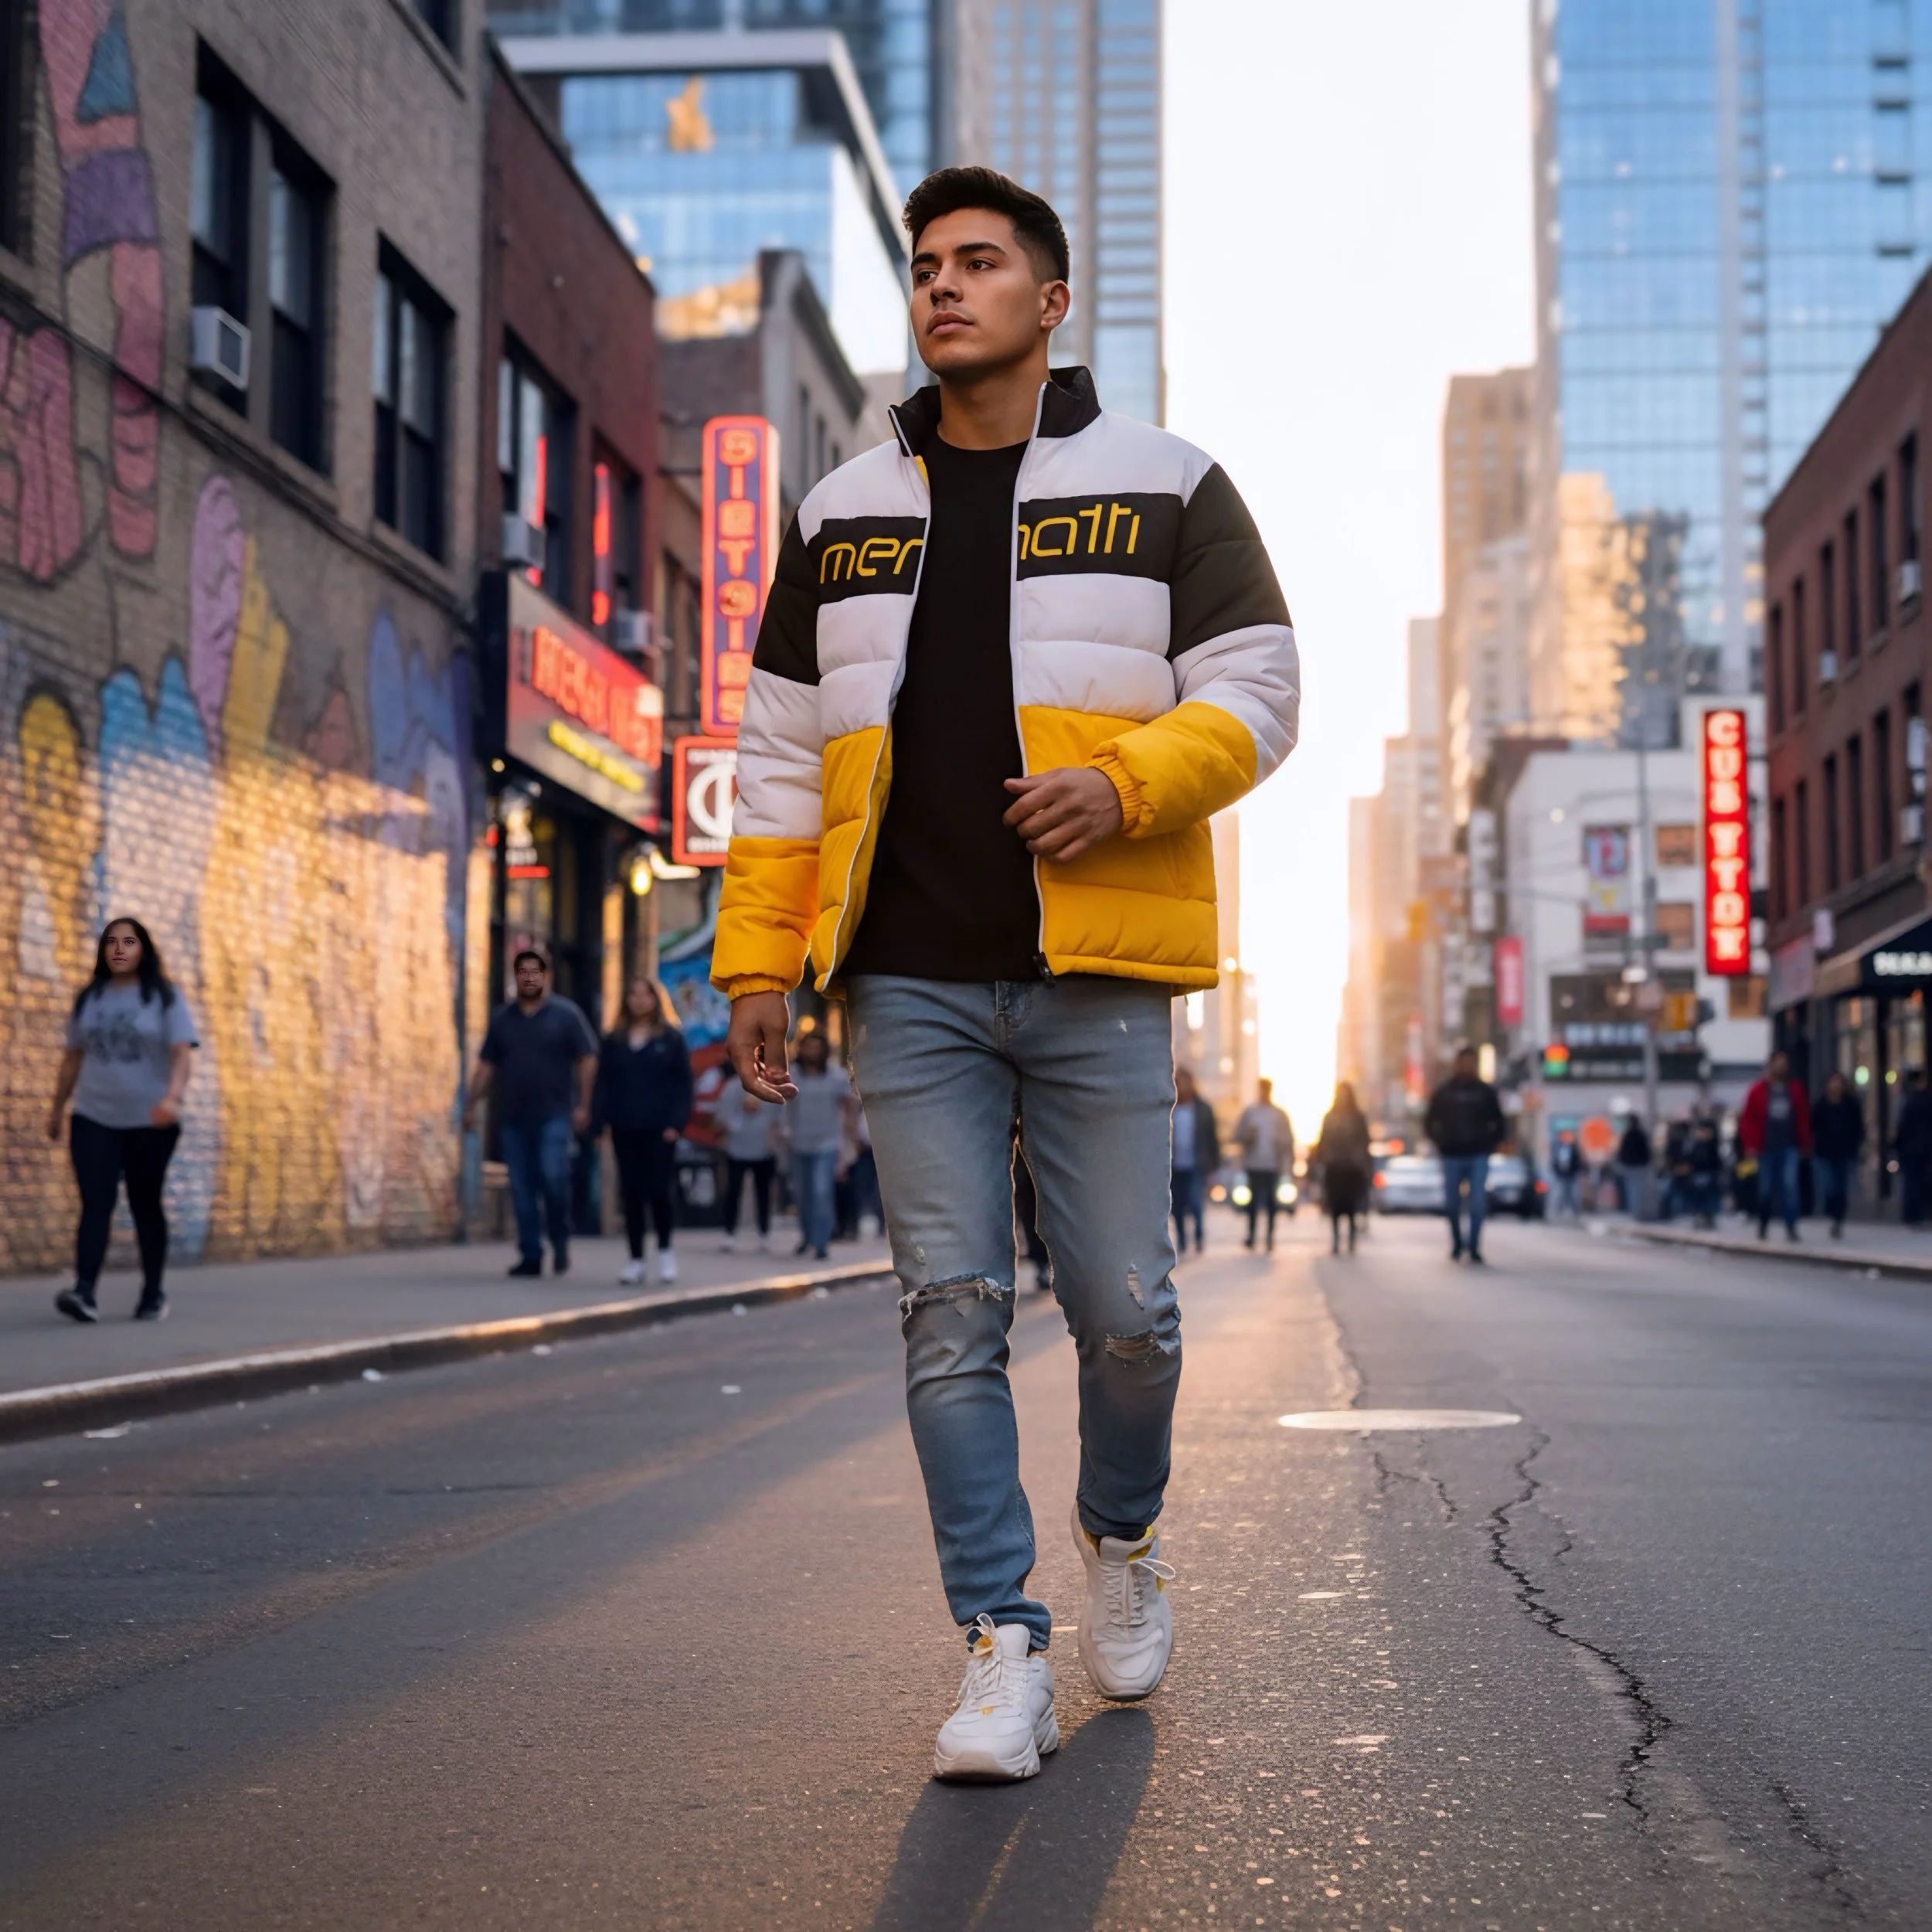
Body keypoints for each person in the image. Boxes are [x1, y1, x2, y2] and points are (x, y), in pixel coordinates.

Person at [714, 164, 1298, 1782]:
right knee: (948, 1313)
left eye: (978, 263)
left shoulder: (1166, 483)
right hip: (901, 977)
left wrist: (1124, 781)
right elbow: (776, 761)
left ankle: (1118, 1527)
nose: (941, 287)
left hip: (1097, 968)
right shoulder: (836, 513)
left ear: (1050, 301)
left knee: (1126, 1311)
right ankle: (1000, 1642)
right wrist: (756, 961)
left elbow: (1257, 684)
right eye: (923, 267)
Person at [46, 917, 198, 1322]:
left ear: (143, 949)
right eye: (111, 942)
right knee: (96, 1203)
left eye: (128, 942)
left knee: (146, 1204)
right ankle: (84, 1293)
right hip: (93, 1116)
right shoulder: (90, 999)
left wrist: (172, 1098)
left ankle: (152, 1294)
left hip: (150, 1120)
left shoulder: (164, 998)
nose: (119, 949)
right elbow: (72, 1058)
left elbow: (182, 1053)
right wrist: (57, 1109)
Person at [465, 949, 598, 1277]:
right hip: (512, 1116)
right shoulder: (503, 1019)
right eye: (523, 972)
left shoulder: (566, 1016)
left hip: (554, 1114)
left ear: (547, 976)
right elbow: (486, 1065)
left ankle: (559, 1235)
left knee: (554, 1177)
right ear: (515, 977)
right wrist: (471, 1105)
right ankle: (531, 1254)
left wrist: (584, 1104)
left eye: (535, 972)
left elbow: (587, 1059)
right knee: (522, 1188)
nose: (529, 978)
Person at [594, 977, 692, 1286]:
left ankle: (665, 1252)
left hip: (660, 1128)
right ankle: (635, 1259)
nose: (638, 1000)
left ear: (655, 1000)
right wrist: (601, 1122)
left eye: (645, 995)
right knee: (632, 1193)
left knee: (659, 1191)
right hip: (625, 1125)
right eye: (633, 994)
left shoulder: (671, 1040)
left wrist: (676, 1123)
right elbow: (603, 1084)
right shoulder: (614, 1040)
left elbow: (683, 1085)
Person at [1423, 1046, 1506, 1262]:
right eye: (1464, 1062)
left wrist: (1491, 1144)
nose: (1468, 1066)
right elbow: (1430, 1121)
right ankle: (1457, 1243)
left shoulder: (1485, 1092)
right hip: (1451, 1153)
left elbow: (1499, 1122)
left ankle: (1475, 1246)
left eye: (1472, 1062)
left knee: (1478, 1202)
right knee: (1452, 1203)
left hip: (1478, 1153)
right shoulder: (1445, 1092)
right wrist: (1441, 1143)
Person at [775, 1031, 852, 1261]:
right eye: (808, 1047)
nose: (812, 1052)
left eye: (817, 1047)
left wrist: (849, 1142)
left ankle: (821, 1242)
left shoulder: (836, 1076)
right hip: (798, 1142)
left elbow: (848, 1108)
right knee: (802, 1194)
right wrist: (784, 1131)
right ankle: (807, 1236)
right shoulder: (793, 1076)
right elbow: (784, 1107)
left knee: (821, 1192)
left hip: (826, 1143)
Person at [1739, 1049, 1811, 1242]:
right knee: (1765, 1189)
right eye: (1777, 1063)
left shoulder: (1794, 1089)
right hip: (1766, 1148)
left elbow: (1802, 1117)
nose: (1781, 1067)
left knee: (1790, 1187)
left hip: (1789, 1146)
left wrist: (1805, 1143)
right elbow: (1748, 1119)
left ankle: (1791, 1227)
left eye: (1784, 1063)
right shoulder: (1758, 1090)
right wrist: (1750, 1146)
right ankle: (1763, 1224)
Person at [1233, 1078, 1296, 1253]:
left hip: (1272, 1165)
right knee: (1252, 1203)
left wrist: (1285, 1159)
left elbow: (1288, 1140)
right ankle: (1252, 1235)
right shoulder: (1250, 1113)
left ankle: (1269, 1237)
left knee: (1271, 1203)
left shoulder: (1278, 1114)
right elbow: (1237, 1135)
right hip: (1253, 1164)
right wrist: (1248, 1136)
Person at [719, 1088, 781, 1252]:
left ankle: (764, 1233)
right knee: (733, 1192)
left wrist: (773, 1141)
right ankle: (729, 1233)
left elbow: (778, 1118)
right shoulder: (731, 1089)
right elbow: (722, 1119)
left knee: (763, 1193)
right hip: (736, 1150)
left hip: (763, 1149)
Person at [1314, 1081, 1372, 1255]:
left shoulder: (1357, 1117)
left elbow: (1364, 1140)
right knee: (1336, 1205)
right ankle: (1336, 1239)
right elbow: (1323, 1140)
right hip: (1335, 1166)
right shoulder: (1330, 1117)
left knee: (1351, 1205)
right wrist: (1322, 1158)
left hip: (1352, 1167)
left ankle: (1352, 1239)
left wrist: (1362, 1161)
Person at [1169, 1067, 1219, 1256]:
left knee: (1196, 1202)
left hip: (1196, 1164)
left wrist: (1214, 1164)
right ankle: (1182, 1241)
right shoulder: (1169, 1108)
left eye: (1184, 1081)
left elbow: (1212, 1139)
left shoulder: (1203, 1109)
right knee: (1177, 1206)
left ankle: (1198, 1237)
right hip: (1174, 1166)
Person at [1811, 1070, 1864, 1239]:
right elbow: (1813, 1126)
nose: (1836, 1085)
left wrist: (1857, 1145)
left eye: (1839, 1082)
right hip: (1825, 1153)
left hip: (1845, 1152)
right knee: (1829, 1187)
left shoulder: (1851, 1104)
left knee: (1842, 1188)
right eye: (1833, 1082)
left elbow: (1858, 1127)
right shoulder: (1821, 1105)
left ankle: (1838, 1219)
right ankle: (1832, 1213)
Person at [1895, 1069, 1932, 1226]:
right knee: (1919, 1182)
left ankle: (1911, 1215)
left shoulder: (1907, 1100)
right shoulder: (1923, 1100)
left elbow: (1901, 1126)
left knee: (1911, 1182)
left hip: (1911, 1148)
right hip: (1922, 1148)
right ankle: (1918, 1214)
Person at [1685, 1114, 1724, 1227]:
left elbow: (1715, 1160)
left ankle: (1708, 1217)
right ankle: (1702, 1217)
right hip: (1699, 1174)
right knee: (1700, 1198)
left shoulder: (1712, 1145)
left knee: (1708, 1197)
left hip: (1708, 1173)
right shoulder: (1696, 1144)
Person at [1616, 1114, 1653, 1219]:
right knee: (1638, 1190)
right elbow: (1646, 1151)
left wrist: (1623, 1163)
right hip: (1640, 1166)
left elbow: (1622, 1152)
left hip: (1631, 1166)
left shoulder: (1628, 1135)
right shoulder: (1641, 1134)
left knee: (1632, 1190)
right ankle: (1638, 1212)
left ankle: (1635, 1212)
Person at [1549, 1128, 1583, 1219]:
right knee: (1558, 1194)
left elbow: (1577, 1162)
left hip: (1571, 1175)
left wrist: (1573, 1171)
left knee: (1573, 1194)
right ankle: (1557, 1212)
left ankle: (1575, 1212)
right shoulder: (1557, 1148)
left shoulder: (1573, 1148)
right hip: (1560, 1175)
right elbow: (1554, 1162)